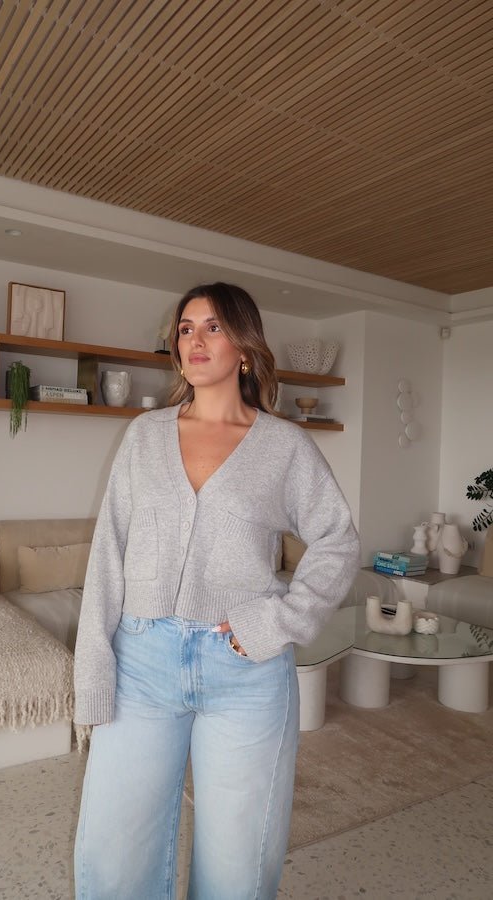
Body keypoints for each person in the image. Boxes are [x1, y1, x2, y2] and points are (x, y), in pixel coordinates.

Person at [73, 282, 360, 899]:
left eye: (213, 327)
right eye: (185, 328)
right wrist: (94, 665)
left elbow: (337, 541)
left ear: (245, 348)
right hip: (141, 662)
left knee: (238, 866)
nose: (195, 340)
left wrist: (275, 623)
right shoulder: (145, 436)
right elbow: (108, 553)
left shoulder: (285, 447)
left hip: (245, 672)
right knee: (114, 854)